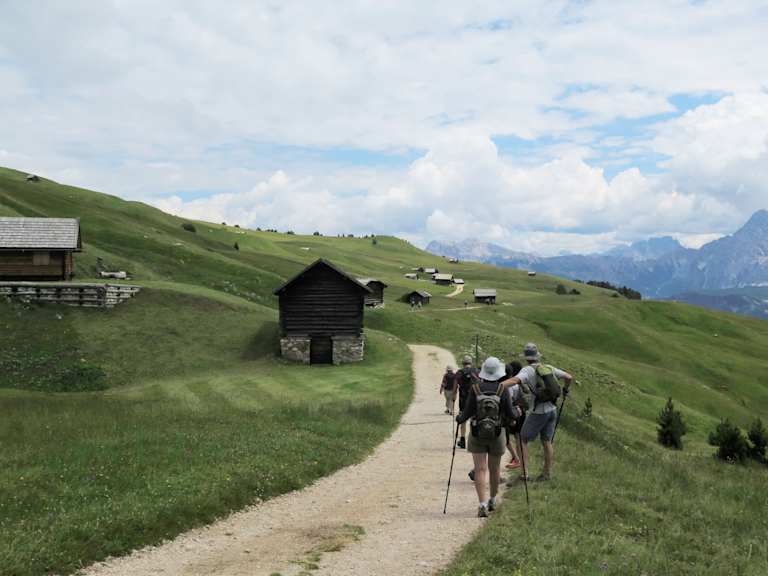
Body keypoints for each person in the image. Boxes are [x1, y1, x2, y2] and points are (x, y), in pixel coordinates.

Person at [502, 343, 572, 484]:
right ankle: (546, 474)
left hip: (539, 411)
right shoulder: (549, 368)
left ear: (526, 358)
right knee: (547, 442)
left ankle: (524, 474)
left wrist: (497, 386)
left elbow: (515, 380)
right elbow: (569, 377)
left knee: (522, 440)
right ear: (537, 356)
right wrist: (565, 390)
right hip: (552, 409)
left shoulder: (527, 370)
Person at [455, 356, 516, 517]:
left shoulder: (475, 389)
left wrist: (459, 419)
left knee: (480, 469)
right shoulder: (502, 390)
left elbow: (466, 413)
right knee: (494, 469)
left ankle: (481, 503)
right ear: (498, 373)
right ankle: (492, 500)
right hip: (497, 434)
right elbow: (511, 414)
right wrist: (517, 414)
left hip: (477, 433)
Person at [504, 360, 524, 470]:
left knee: (506, 437)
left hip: (511, 412)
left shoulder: (509, 385)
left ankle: (516, 458)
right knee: (517, 436)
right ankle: (517, 457)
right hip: (520, 411)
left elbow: (509, 401)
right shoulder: (519, 382)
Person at [455, 355, 477, 449]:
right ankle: (474, 440)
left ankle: (463, 441)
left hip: (463, 399)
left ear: (463, 363)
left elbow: (455, 387)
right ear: (471, 363)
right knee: (474, 419)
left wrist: (453, 396)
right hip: (474, 399)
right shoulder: (476, 372)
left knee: (463, 419)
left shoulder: (459, 373)